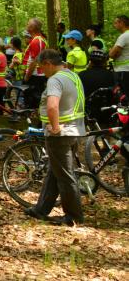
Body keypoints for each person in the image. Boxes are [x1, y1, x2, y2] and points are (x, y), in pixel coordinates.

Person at [24, 49, 85, 227]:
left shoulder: (55, 79)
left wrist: (56, 127)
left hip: (60, 134)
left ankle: (73, 216)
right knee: (55, 170)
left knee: (65, 175)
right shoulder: (73, 76)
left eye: (41, 67)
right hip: (75, 130)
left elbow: (52, 106)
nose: (41, 71)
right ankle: (41, 209)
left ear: (48, 64)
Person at [80, 49, 117, 129]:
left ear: (90, 61)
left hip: (88, 114)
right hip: (108, 114)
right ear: (105, 62)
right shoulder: (112, 75)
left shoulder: (81, 75)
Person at [22, 18, 49, 110]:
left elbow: (35, 61)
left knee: (33, 103)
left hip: (35, 76)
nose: (26, 25)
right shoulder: (36, 40)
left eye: (28, 24)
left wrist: (27, 76)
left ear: (32, 27)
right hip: (34, 75)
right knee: (30, 101)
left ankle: (34, 117)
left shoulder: (37, 41)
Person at [110, 14, 129, 95]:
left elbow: (111, 54)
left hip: (122, 71)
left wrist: (112, 51)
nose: (114, 25)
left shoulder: (124, 36)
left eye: (116, 23)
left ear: (122, 23)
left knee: (122, 96)